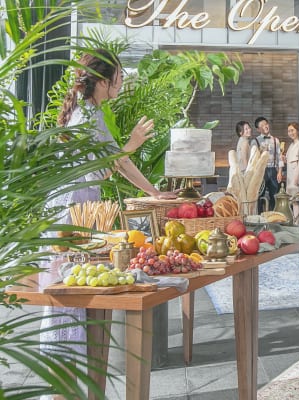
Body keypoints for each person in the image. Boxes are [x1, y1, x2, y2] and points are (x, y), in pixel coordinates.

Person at [40, 49, 177, 397]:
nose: (122, 81)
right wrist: (133, 143)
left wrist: (154, 193)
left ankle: (76, 389)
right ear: (103, 81)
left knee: (76, 306)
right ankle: (61, 391)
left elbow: (119, 162)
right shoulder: (86, 117)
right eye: (119, 76)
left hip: (79, 213)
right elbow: (99, 170)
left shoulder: (93, 112)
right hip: (70, 216)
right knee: (67, 307)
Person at [255, 116, 282, 212]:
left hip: (273, 170)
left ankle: (274, 217)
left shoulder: (276, 140)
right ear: (258, 129)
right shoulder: (255, 141)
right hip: (261, 171)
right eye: (262, 125)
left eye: (266, 124)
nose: (265, 126)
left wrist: (279, 172)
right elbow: (253, 159)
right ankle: (259, 217)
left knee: (274, 196)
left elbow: (279, 157)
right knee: (259, 196)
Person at [282, 122, 299, 219]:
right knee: (293, 201)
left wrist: (296, 178)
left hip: (295, 176)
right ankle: (295, 221)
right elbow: (288, 160)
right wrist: (284, 159)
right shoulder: (291, 145)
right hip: (290, 176)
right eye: (289, 131)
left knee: (297, 200)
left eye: (292, 130)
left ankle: (298, 222)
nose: (290, 133)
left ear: (298, 130)